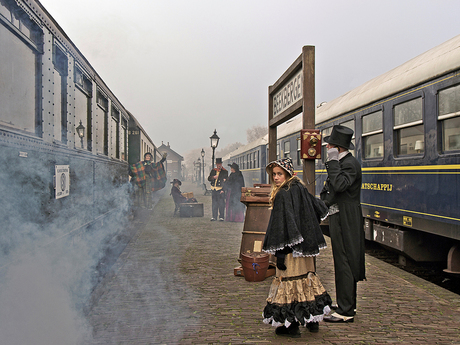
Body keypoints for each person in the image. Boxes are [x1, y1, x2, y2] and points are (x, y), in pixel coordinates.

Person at [262, 157, 332, 338]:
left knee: (289, 284)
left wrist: (280, 254)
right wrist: (307, 234)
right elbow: (317, 209)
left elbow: (281, 227)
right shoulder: (300, 188)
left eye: (279, 174)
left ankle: (290, 326)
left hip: (290, 252)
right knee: (306, 282)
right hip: (305, 250)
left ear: (288, 174)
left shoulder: (283, 194)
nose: (276, 178)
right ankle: (312, 321)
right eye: (274, 174)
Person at [321, 125, 365, 323]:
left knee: (345, 260)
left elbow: (339, 185)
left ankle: (346, 311)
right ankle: (346, 303)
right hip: (341, 215)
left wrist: (331, 162)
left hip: (347, 218)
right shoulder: (344, 162)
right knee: (341, 260)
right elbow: (332, 191)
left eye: (329, 145)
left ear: (337, 148)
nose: (327, 148)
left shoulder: (348, 164)